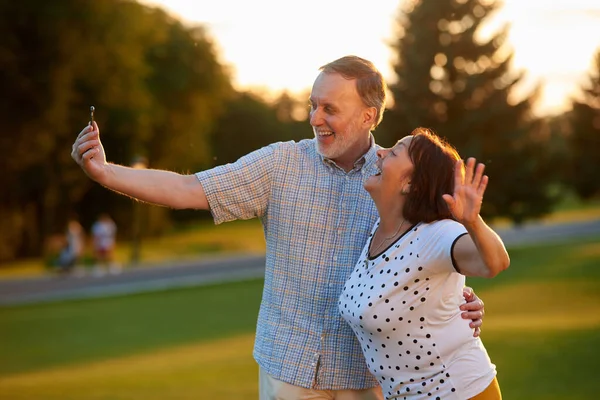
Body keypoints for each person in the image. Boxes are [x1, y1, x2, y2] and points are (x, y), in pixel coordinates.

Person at [71, 55, 486, 400]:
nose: (315, 118)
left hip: (365, 378)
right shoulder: (280, 164)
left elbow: (434, 253)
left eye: (330, 109)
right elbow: (187, 188)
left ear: (369, 115)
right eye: (313, 105)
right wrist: (106, 173)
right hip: (287, 370)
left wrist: (461, 299)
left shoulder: (395, 177)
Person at [339, 128, 508, 399]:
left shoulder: (436, 233)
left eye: (393, 152)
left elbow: (495, 263)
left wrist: (472, 221)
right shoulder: (376, 232)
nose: (379, 153)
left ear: (411, 184)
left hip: (459, 391)